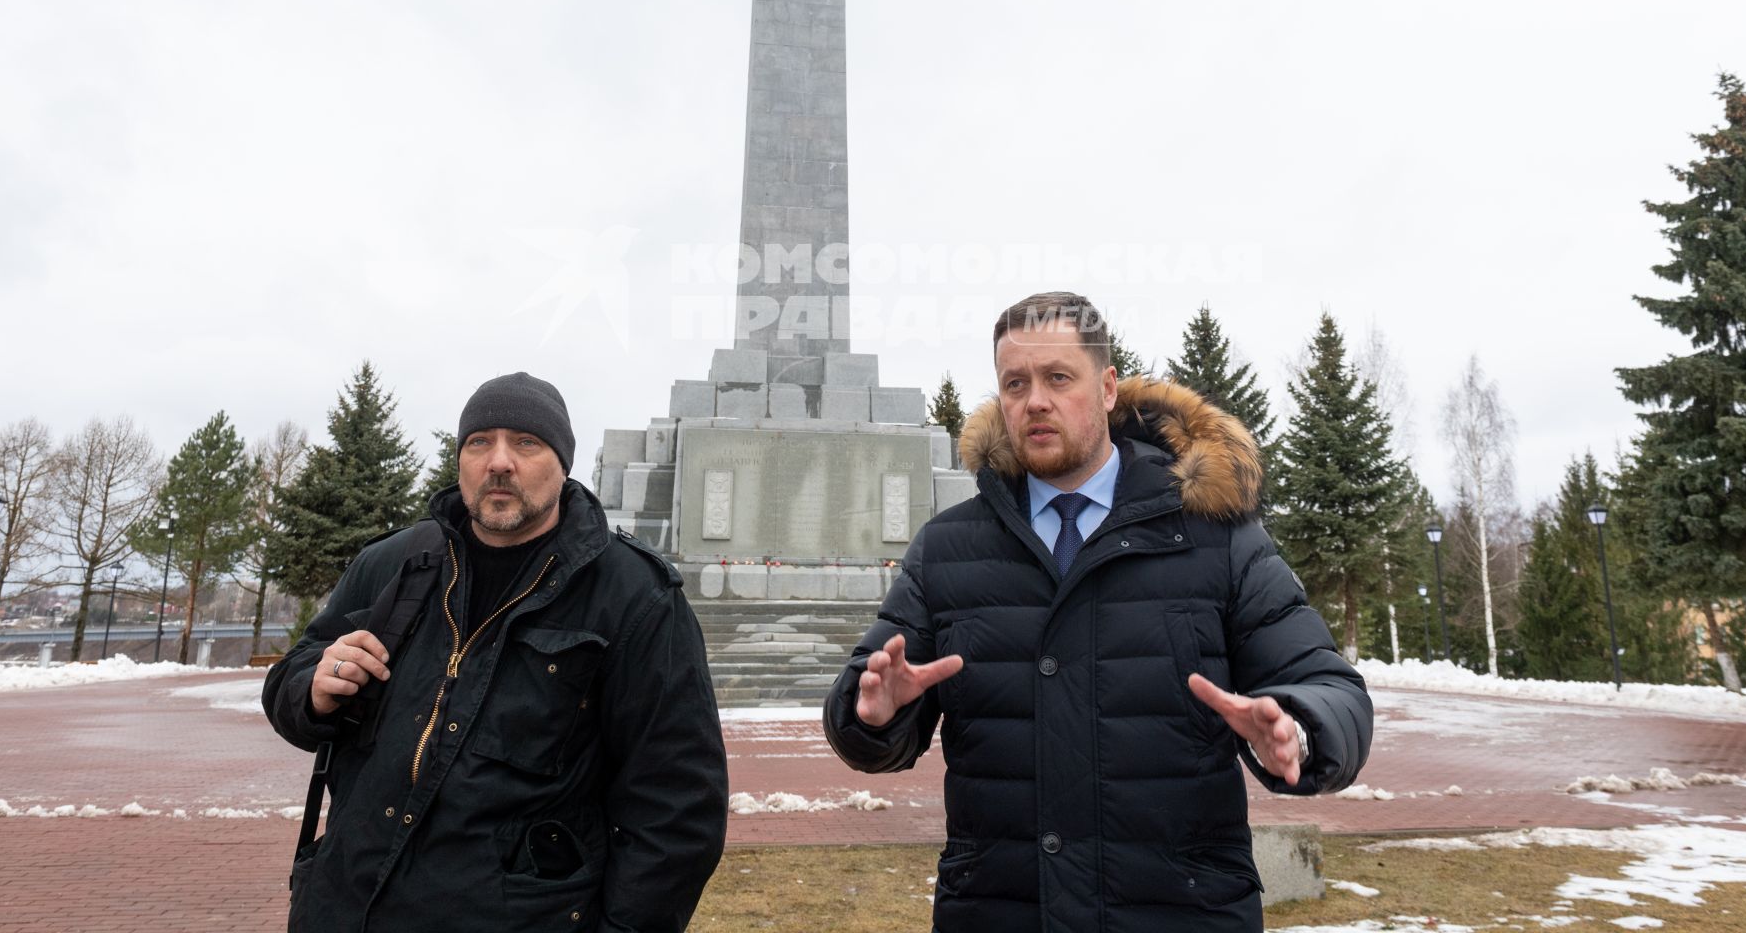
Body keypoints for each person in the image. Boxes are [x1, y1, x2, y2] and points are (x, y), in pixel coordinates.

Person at [823, 292, 1372, 932]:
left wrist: (1300, 728)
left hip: (1181, 915)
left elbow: (1334, 690)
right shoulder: (947, 549)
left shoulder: (1214, 535)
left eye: (1059, 378)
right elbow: (861, 709)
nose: (1035, 401)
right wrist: (874, 714)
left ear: (1108, 387)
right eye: (1015, 383)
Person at [264, 372, 727, 933]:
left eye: (526, 443)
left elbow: (677, 806)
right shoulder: (393, 564)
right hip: (345, 907)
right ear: (461, 460)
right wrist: (312, 689)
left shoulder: (634, 596)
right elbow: (294, 678)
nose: (499, 461)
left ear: (562, 463)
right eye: (480, 442)